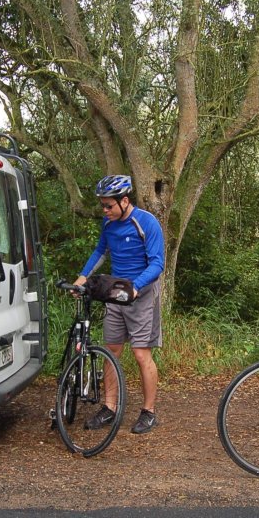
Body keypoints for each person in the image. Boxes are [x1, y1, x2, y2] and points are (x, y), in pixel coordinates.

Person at [74, 175, 166, 435]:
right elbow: (100, 251)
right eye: (102, 206)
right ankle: (109, 407)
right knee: (111, 349)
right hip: (115, 294)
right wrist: (83, 277)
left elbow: (158, 263)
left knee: (140, 354)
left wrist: (136, 286)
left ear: (124, 201)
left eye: (109, 206)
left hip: (142, 295)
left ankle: (149, 412)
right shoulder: (108, 223)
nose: (105, 211)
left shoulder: (146, 222)